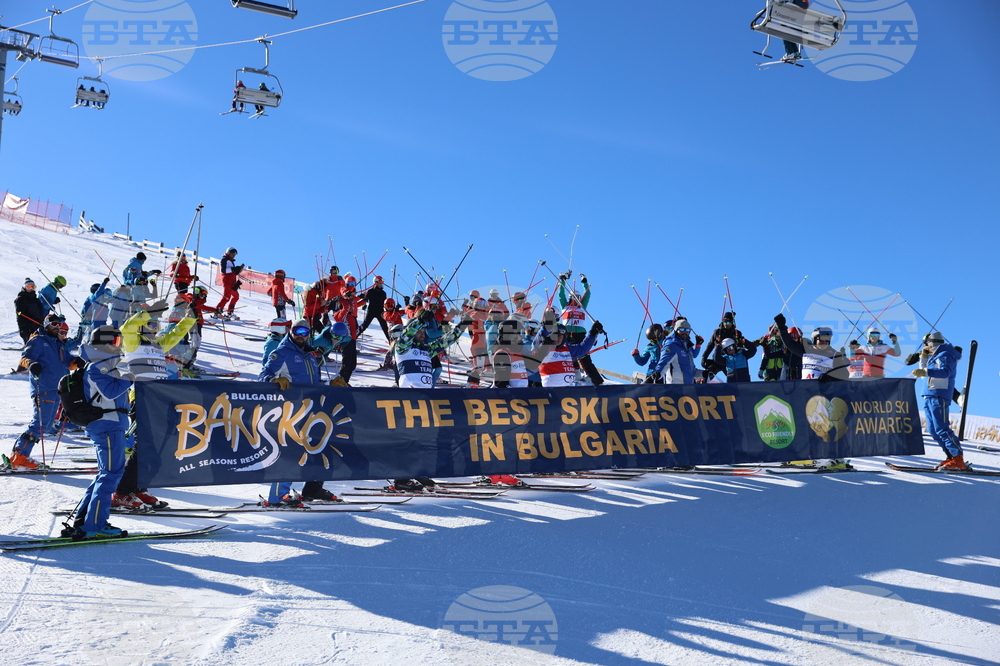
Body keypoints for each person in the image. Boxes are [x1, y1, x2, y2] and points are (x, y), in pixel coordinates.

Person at [111, 300, 196, 508]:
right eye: (150, 325)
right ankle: (122, 492)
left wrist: (191, 315)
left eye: (156, 325)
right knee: (145, 447)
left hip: (160, 401)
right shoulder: (132, 341)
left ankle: (138, 487)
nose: (153, 329)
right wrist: (148, 312)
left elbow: (176, 333)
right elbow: (126, 327)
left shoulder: (158, 345)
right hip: (142, 398)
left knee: (158, 448)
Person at [260, 319, 342, 502]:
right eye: (297, 331)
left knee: (320, 449)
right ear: (290, 331)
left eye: (305, 332)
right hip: (290, 412)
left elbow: (313, 386)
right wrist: (273, 381)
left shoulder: (310, 356)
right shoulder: (281, 353)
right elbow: (263, 375)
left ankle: (313, 489)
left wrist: (331, 385)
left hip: (312, 411)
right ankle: (278, 496)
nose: (300, 336)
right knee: (290, 453)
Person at [69, 328, 132, 539]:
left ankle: (84, 520)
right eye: (116, 340)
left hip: (110, 425)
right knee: (110, 474)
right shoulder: (98, 366)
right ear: (105, 343)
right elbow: (111, 392)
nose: (119, 344)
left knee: (106, 473)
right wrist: (131, 376)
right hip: (107, 425)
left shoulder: (106, 364)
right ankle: (94, 526)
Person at [8, 314, 73, 469]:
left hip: (57, 390)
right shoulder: (38, 340)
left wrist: (78, 362)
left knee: (47, 425)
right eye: (54, 324)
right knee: (40, 424)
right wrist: (31, 364)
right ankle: (19, 457)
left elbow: (68, 362)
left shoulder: (59, 344)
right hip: (44, 388)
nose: (57, 328)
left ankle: (19, 455)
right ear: (46, 324)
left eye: (60, 325)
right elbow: (24, 358)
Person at [912, 332, 969, 470]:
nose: (925, 347)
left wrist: (926, 372)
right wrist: (924, 358)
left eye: (926, 345)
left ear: (932, 344)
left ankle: (958, 459)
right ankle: (950, 457)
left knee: (942, 428)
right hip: (929, 394)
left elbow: (945, 372)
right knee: (933, 430)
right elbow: (923, 371)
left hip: (939, 394)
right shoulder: (935, 355)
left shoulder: (945, 354)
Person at [394, 309, 470, 389]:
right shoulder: (402, 348)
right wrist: (420, 320)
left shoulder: (427, 350)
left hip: (427, 394)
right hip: (409, 393)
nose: (422, 334)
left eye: (423, 331)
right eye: (419, 331)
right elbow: (407, 335)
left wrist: (462, 325)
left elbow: (446, 341)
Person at [558, 275, 604, 386]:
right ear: (570, 298)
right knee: (566, 354)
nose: (577, 299)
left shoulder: (582, 306)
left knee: (585, 356)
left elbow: (587, 294)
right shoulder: (565, 306)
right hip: (567, 334)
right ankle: (573, 373)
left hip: (580, 334)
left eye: (578, 297)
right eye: (575, 297)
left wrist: (584, 283)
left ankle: (596, 380)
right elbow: (560, 295)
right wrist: (562, 282)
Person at [774, 314, 848, 382]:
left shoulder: (834, 354)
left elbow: (844, 375)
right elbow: (790, 344)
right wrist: (782, 327)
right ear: (815, 340)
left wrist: (829, 377)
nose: (824, 342)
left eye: (827, 339)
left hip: (824, 391)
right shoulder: (807, 350)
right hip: (806, 390)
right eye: (821, 339)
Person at [532, 318, 600, 387]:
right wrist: (545, 327)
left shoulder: (567, 349)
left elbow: (582, 348)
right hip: (552, 390)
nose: (558, 338)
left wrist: (593, 333)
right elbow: (536, 342)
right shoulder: (544, 348)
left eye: (561, 336)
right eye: (556, 335)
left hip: (569, 390)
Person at [652, 318, 699, 384]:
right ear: (676, 330)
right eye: (682, 329)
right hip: (674, 387)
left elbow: (690, 370)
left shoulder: (687, 345)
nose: (685, 332)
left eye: (687, 330)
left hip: (688, 387)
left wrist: (704, 374)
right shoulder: (671, 344)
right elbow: (664, 362)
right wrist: (658, 373)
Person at [492, 319, 529, 388]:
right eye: (520, 333)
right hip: (510, 397)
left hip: (521, 395)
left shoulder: (516, 352)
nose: (521, 336)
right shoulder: (502, 354)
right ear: (512, 335)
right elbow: (501, 383)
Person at [212, 247, 244, 319]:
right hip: (227, 282)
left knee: (235, 296)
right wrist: (233, 269)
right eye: (232, 253)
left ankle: (230, 312)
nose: (234, 255)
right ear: (229, 253)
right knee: (226, 298)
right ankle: (217, 312)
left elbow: (232, 272)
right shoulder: (224, 259)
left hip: (232, 282)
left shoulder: (230, 261)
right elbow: (223, 270)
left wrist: (238, 270)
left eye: (235, 254)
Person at [78, 278, 112, 344]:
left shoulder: (104, 300)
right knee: (94, 334)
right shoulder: (96, 297)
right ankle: (88, 345)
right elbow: (99, 292)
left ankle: (101, 346)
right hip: (96, 319)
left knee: (101, 334)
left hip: (103, 320)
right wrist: (104, 283)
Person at [357, 276, 391, 341]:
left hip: (380, 312)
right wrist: (364, 304)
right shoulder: (370, 291)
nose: (381, 284)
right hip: (371, 311)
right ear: (376, 282)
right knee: (365, 325)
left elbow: (385, 304)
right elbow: (366, 300)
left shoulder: (383, 293)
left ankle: (391, 342)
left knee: (385, 327)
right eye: (380, 283)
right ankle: (354, 337)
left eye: (382, 283)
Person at [15, 278, 44, 344]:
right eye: (28, 287)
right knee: (26, 334)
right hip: (27, 322)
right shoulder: (21, 298)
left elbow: (40, 310)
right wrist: (22, 316)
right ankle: (28, 344)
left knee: (39, 334)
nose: (30, 289)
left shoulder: (35, 299)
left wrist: (41, 319)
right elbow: (19, 312)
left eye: (32, 287)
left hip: (37, 322)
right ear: (25, 287)